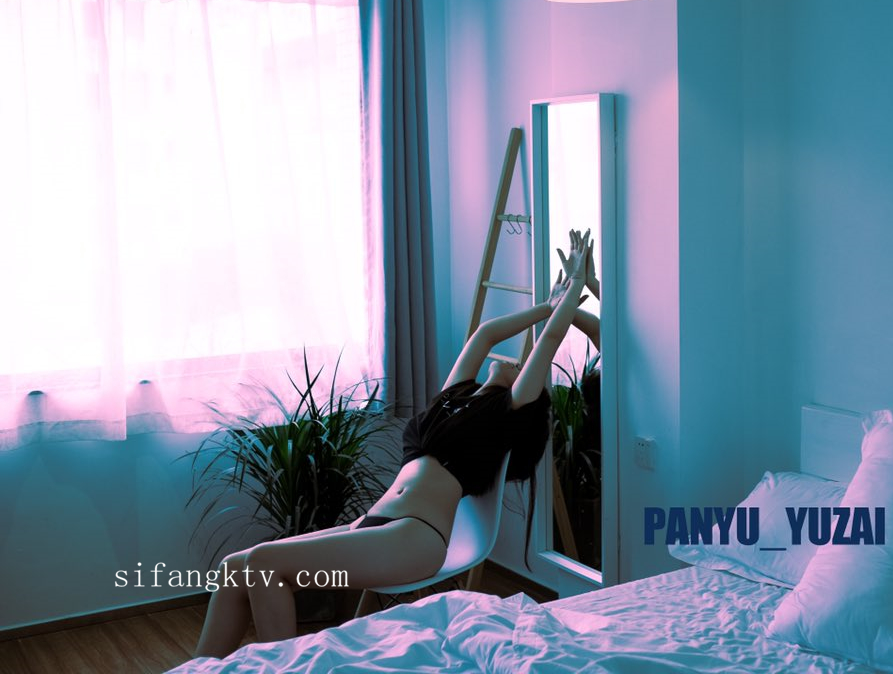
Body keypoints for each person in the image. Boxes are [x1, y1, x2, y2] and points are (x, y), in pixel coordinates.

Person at [193, 230, 594, 659]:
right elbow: (484, 335)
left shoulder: (508, 413)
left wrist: (573, 290)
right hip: (373, 525)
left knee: (264, 564)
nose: (513, 361)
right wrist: (547, 305)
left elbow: (550, 341)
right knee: (234, 569)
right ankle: (199, 668)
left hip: (415, 538)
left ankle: (289, 668)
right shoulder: (453, 400)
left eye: (519, 366)